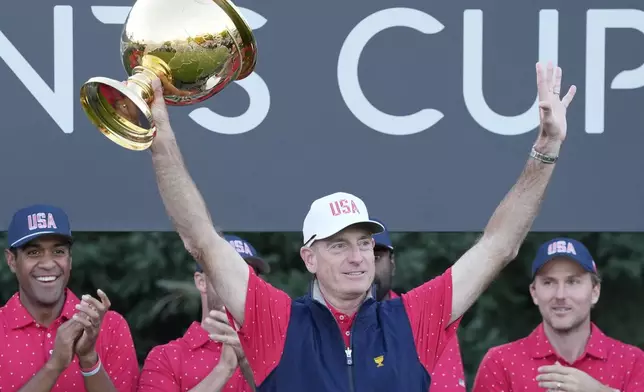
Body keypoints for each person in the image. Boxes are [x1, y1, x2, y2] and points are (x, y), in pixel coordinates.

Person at [144, 61, 575, 390]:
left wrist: (546, 147)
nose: (357, 257)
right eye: (338, 245)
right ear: (308, 257)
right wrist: (160, 134)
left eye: (364, 243)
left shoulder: (413, 318)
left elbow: (498, 245)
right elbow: (201, 238)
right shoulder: (276, 319)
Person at [472, 238, 644, 392]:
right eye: (549, 282)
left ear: (595, 291)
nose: (560, 295)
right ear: (534, 293)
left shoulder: (633, 362)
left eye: (573, 282)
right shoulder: (500, 363)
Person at [0, 204, 139, 392]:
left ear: (70, 259)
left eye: (58, 252)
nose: (48, 264)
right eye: (33, 253)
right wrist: (54, 366)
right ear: (11, 260)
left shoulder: (111, 326)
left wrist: (89, 360)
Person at [137, 234, 269, 392]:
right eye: (227, 274)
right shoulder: (166, 357)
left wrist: (248, 365)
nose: (239, 284)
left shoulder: (282, 352)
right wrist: (223, 370)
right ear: (201, 282)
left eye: (248, 277)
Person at [371, 218, 467, 391]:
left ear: (392, 263)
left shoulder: (428, 318)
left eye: (376, 256)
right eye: (354, 258)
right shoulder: (316, 323)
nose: (365, 267)